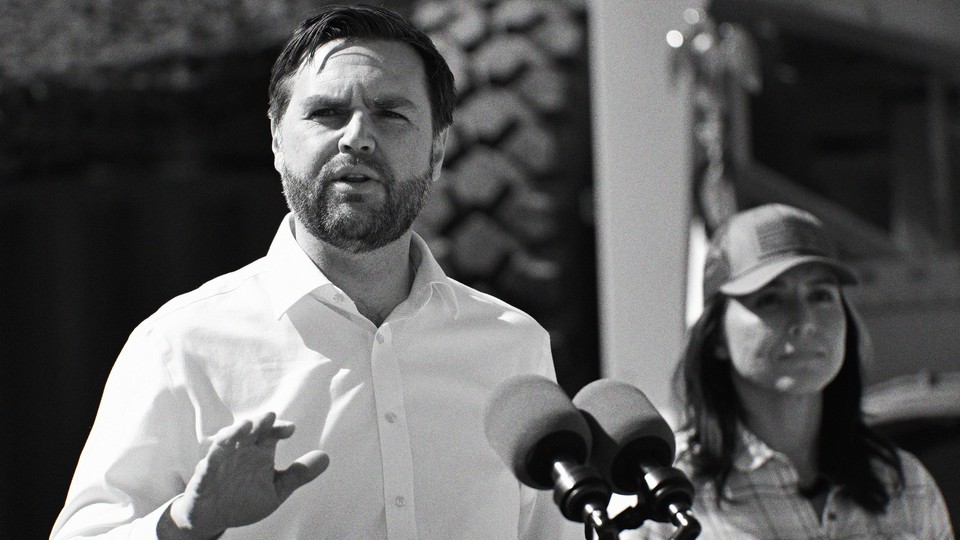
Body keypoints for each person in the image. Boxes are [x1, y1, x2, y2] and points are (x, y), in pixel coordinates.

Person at [51, 5, 579, 539]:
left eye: (391, 114)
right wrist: (187, 523)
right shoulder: (181, 346)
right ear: (278, 141)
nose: (357, 137)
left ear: (437, 151)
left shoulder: (512, 347)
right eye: (326, 112)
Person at [628, 204, 953, 539]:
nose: (804, 321)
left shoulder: (905, 484)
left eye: (821, 295)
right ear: (716, 339)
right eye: (770, 299)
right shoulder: (664, 496)